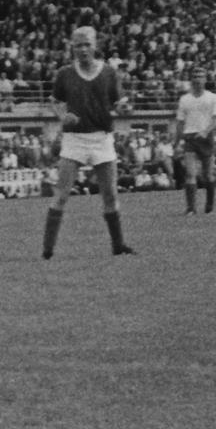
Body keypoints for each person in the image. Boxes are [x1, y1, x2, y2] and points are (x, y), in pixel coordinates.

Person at [41, 25, 135, 259]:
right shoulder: (65, 73)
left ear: (95, 46)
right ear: (72, 47)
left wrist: (124, 108)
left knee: (110, 195)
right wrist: (63, 116)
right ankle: (47, 251)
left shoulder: (109, 73)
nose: (83, 49)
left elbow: (120, 103)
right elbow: (54, 100)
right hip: (74, 140)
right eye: (78, 45)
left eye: (87, 44)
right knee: (61, 194)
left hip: (102, 139)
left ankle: (118, 246)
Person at [174, 67, 216, 215]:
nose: (197, 79)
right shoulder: (185, 99)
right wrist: (176, 142)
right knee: (190, 174)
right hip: (190, 137)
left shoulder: (213, 98)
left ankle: (209, 206)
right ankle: (191, 208)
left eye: (200, 76)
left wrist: (205, 131)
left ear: (205, 79)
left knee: (207, 175)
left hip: (206, 137)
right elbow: (180, 123)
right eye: (195, 76)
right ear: (191, 80)